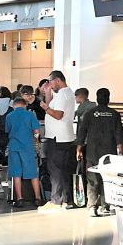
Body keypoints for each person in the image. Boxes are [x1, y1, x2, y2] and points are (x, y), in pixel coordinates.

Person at [76, 88, 123, 217]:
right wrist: (121, 149)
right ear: (108, 98)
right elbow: (119, 133)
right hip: (109, 152)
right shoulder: (114, 114)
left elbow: (82, 132)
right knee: (106, 178)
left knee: (92, 179)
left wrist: (79, 149)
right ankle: (105, 205)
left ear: (97, 98)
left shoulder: (90, 113)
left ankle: (92, 206)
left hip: (93, 151)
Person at [42, 70, 77, 209]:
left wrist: (45, 108)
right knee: (63, 170)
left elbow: (58, 115)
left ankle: (57, 200)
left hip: (58, 137)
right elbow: (53, 107)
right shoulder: (67, 93)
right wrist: (47, 94)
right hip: (63, 136)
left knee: (56, 170)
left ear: (57, 80)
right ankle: (66, 200)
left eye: (51, 82)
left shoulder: (63, 94)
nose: (50, 84)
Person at [5, 89, 43, 207]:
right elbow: (36, 131)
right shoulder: (30, 114)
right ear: (25, 105)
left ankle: (20, 199)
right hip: (28, 147)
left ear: (14, 105)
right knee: (32, 173)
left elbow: (7, 130)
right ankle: (37, 198)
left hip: (14, 147)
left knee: (16, 173)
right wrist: (36, 143)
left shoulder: (9, 116)